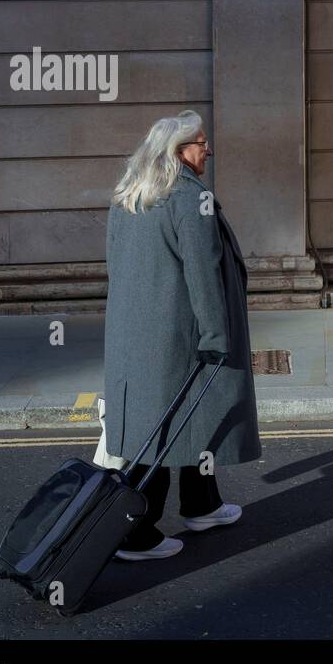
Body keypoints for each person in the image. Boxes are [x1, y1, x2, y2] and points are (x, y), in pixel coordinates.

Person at [101, 109, 261, 561]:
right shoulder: (189, 198)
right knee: (163, 429)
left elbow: (116, 268)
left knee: (190, 416)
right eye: (201, 142)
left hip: (139, 331)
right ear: (177, 151)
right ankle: (137, 533)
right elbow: (203, 273)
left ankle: (202, 505)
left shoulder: (129, 196)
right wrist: (215, 334)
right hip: (180, 333)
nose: (208, 149)